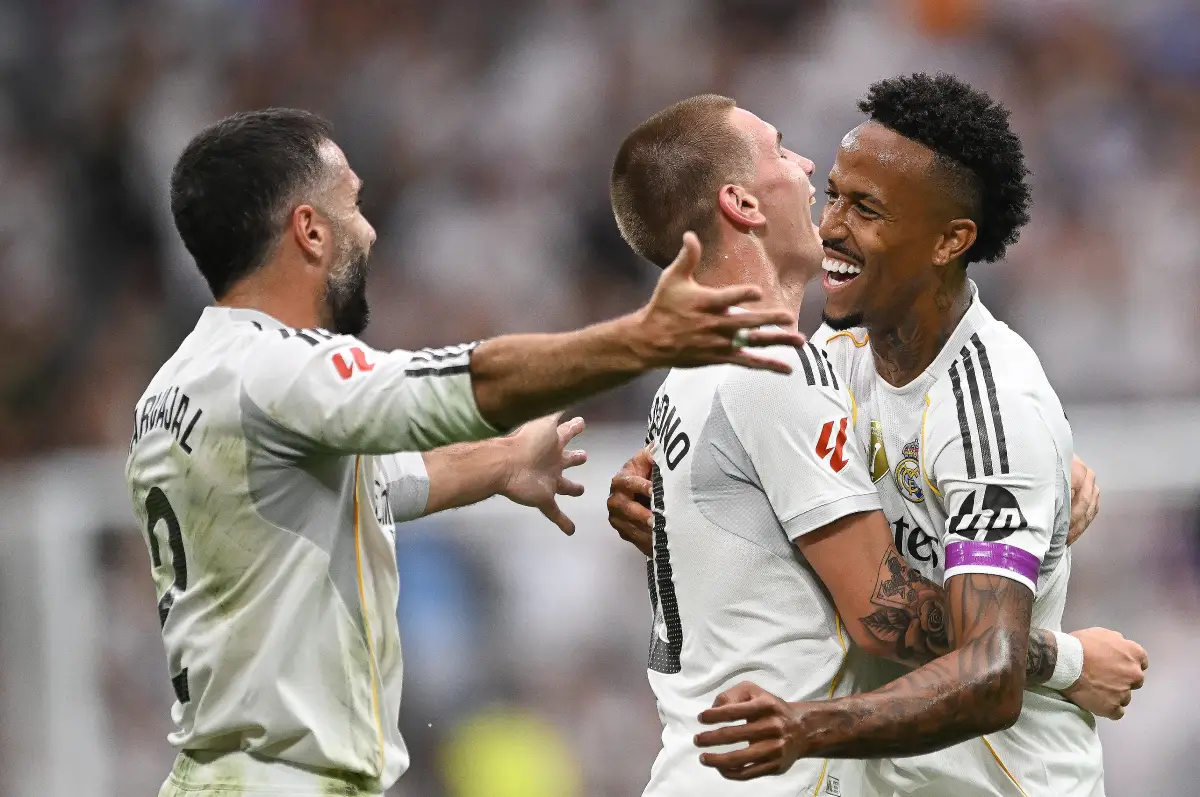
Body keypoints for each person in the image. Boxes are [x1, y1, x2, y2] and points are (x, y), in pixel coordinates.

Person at [125, 107, 807, 797]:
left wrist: (502, 464)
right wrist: (643, 338)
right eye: (354, 205)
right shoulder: (277, 368)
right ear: (309, 229)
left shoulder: (182, 383)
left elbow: (380, 482)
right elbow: (456, 387)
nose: (370, 229)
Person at [606, 83, 1147, 797]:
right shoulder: (812, 362)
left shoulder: (992, 407)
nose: (828, 218)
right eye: (831, 192)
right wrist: (1068, 657)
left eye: (864, 208)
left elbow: (985, 669)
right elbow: (880, 609)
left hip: (997, 780)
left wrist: (1040, 468)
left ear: (950, 239)